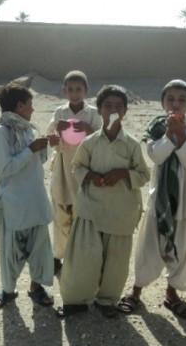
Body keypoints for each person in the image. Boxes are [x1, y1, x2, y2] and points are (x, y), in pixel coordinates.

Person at [57, 84, 150, 319]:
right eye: (108, 105)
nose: (113, 110)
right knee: (83, 258)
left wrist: (122, 174)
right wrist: (90, 176)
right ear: (99, 110)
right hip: (91, 210)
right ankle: (76, 300)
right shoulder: (89, 142)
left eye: (119, 106)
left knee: (115, 262)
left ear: (125, 111)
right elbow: (77, 166)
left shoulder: (131, 144)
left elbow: (143, 175)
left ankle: (107, 300)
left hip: (121, 213)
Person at [118, 79, 186, 318]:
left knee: (181, 248)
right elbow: (156, 156)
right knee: (149, 246)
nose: (176, 104)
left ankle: (172, 293)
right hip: (160, 201)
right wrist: (170, 135)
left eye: (182, 100)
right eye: (171, 99)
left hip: (185, 201)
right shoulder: (156, 128)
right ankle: (136, 290)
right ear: (163, 102)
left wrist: (181, 136)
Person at [0, 82, 58, 308]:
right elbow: (5, 169)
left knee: (40, 248)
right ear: (19, 106)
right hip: (14, 203)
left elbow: (37, 161)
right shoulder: (2, 132)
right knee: (11, 250)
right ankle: (8, 291)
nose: (32, 109)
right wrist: (31, 149)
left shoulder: (29, 129)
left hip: (35, 199)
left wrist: (46, 146)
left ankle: (36, 287)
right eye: (30, 105)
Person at [47, 70, 103, 275]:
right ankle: (58, 255)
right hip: (62, 168)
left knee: (82, 214)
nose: (74, 93)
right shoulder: (60, 112)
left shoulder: (93, 114)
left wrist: (87, 129)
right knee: (61, 212)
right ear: (65, 91)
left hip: (84, 168)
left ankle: (79, 256)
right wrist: (57, 130)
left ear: (86, 91)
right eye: (70, 89)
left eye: (78, 89)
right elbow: (51, 138)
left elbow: (101, 139)